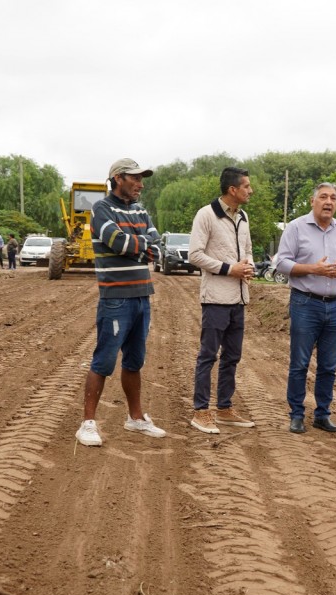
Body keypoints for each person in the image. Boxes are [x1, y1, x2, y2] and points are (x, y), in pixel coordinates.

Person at [75, 158, 166, 446]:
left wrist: (137, 247)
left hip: (142, 296)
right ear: (118, 178)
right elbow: (117, 242)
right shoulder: (100, 208)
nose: (141, 184)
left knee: (135, 361)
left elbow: (158, 248)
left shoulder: (141, 209)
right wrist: (142, 247)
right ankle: (87, 424)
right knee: (103, 361)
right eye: (135, 179)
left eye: (142, 179)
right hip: (115, 298)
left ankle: (135, 418)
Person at [273, 182, 336, 434]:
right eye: (323, 197)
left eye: (333, 198)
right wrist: (313, 268)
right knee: (299, 363)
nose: (328, 202)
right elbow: (281, 263)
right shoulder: (296, 227)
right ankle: (297, 414)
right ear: (313, 201)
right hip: (305, 303)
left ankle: (322, 414)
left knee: (329, 366)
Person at [188, 167, 256, 434]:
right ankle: (201, 411)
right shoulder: (206, 215)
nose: (250, 191)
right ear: (233, 190)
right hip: (216, 298)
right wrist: (230, 269)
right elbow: (195, 255)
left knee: (232, 357)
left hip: (238, 298)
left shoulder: (243, 216)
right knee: (208, 356)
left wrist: (248, 266)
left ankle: (225, 409)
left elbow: (247, 250)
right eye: (247, 186)